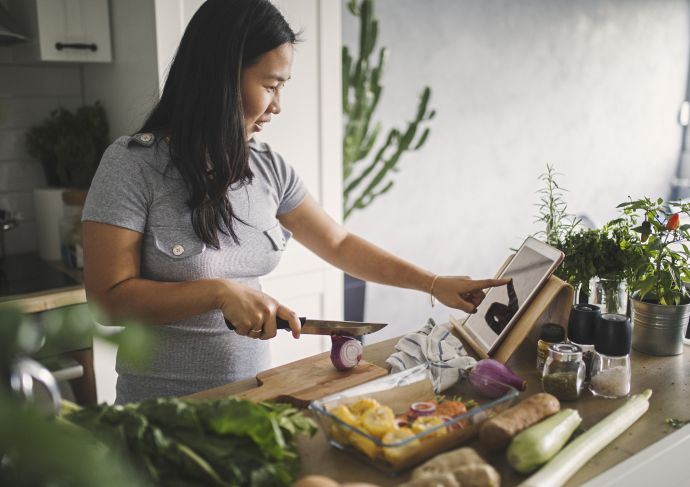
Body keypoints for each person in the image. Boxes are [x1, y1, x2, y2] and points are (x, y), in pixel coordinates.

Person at [82, 0, 508, 404]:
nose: (278, 105)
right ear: (220, 78)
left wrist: (434, 284)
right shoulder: (131, 165)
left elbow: (339, 244)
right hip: (161, 412)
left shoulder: (269, 168)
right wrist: (216, 292)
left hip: (254, 399)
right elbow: (108, 300)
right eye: (270, 85)